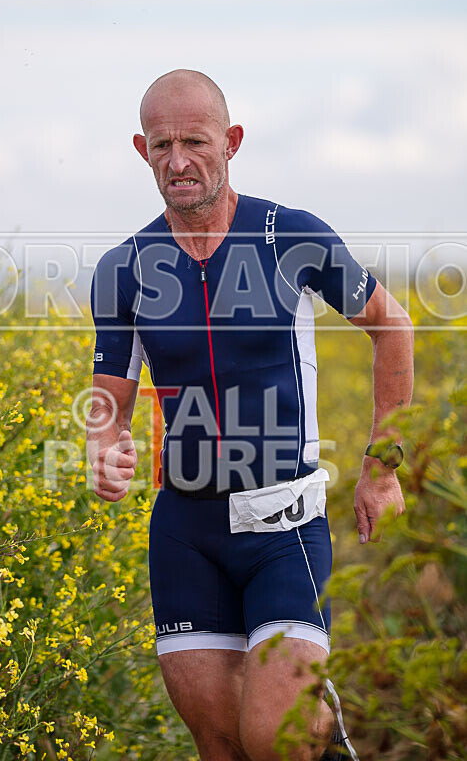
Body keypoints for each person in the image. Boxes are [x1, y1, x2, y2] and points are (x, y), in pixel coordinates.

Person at [87, 69, 414, 761]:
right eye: (160, 145)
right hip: (185, 534)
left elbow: (394, 328)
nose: (177, 162)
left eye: (195, 142)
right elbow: (108, 400)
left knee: (277, 742)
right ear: (140, 150)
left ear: (231, 141)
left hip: (283, 528)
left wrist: (381, 470)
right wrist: (102, 445)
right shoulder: (124, 268)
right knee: (220, 744)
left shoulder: (288, 237)